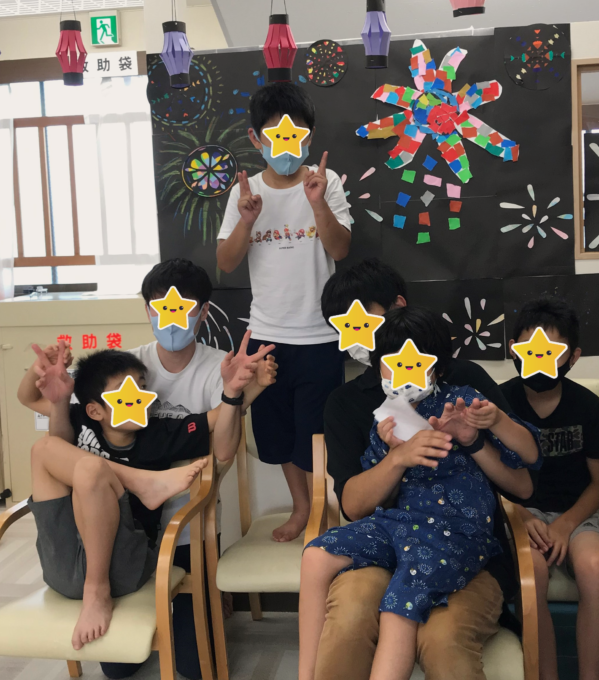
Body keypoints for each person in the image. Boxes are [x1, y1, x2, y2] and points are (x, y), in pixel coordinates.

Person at [18, 259, 277, 679]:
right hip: (100, 530)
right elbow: (43, 404)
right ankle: (142, 485)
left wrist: (241, 392)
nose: (170, 319)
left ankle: (201, 599)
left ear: (203, 312)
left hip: (184, 526)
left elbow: (222, 445)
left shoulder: (213, 370)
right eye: (160, 308)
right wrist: (42, 376)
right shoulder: (124, 368)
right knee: (119, 667)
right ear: (147, 309)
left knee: (196, 666)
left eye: (183, 308)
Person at [299, 306, 541, 680]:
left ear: (438, 368)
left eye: (415, 363)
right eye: (393, 363)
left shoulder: (464, 400)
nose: (403, 372)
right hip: (401, 525)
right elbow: (359, 500)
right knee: (316, 556)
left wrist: (490, 424)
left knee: (399, 608)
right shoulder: (386, 417)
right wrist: (394, 455)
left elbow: (528, 455)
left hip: (454, 532)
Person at [22, 339, 266, 652]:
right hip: (64, 564)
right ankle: (143, 483)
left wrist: (247, 387)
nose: (139, 396)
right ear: (95, 410)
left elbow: (218, 417)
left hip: (123, 565)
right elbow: (27, 397)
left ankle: (97, 591)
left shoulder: (159, 432)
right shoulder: (79, 418)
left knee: (88, 469)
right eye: (125, 391)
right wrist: (47, 384)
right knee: (46, 449)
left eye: (142, 387)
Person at [217, 81, 352, 542]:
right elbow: (226, 263)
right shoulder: (246, 193)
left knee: (316, 435)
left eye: (296, 135)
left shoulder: (327, 183)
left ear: (309, 136)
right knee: (277, 434)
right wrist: (247, 221)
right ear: (256, 139)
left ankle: (322, 511)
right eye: (275, 136)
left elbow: (340, 249)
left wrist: (317, 204)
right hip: (267, 335)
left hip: (320, 335)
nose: (287, 147)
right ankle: (301, 508)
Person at [499, 296, 599, 680]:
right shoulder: (498, 403)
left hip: (577, 515)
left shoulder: (587, 405)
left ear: (573, 357)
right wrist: (519, 515)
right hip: (520, 514)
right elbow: (486, 478)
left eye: (552, 351)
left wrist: (566, 524)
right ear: (513, 350)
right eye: (529, 350)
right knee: (531, 573)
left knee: (596, 567)